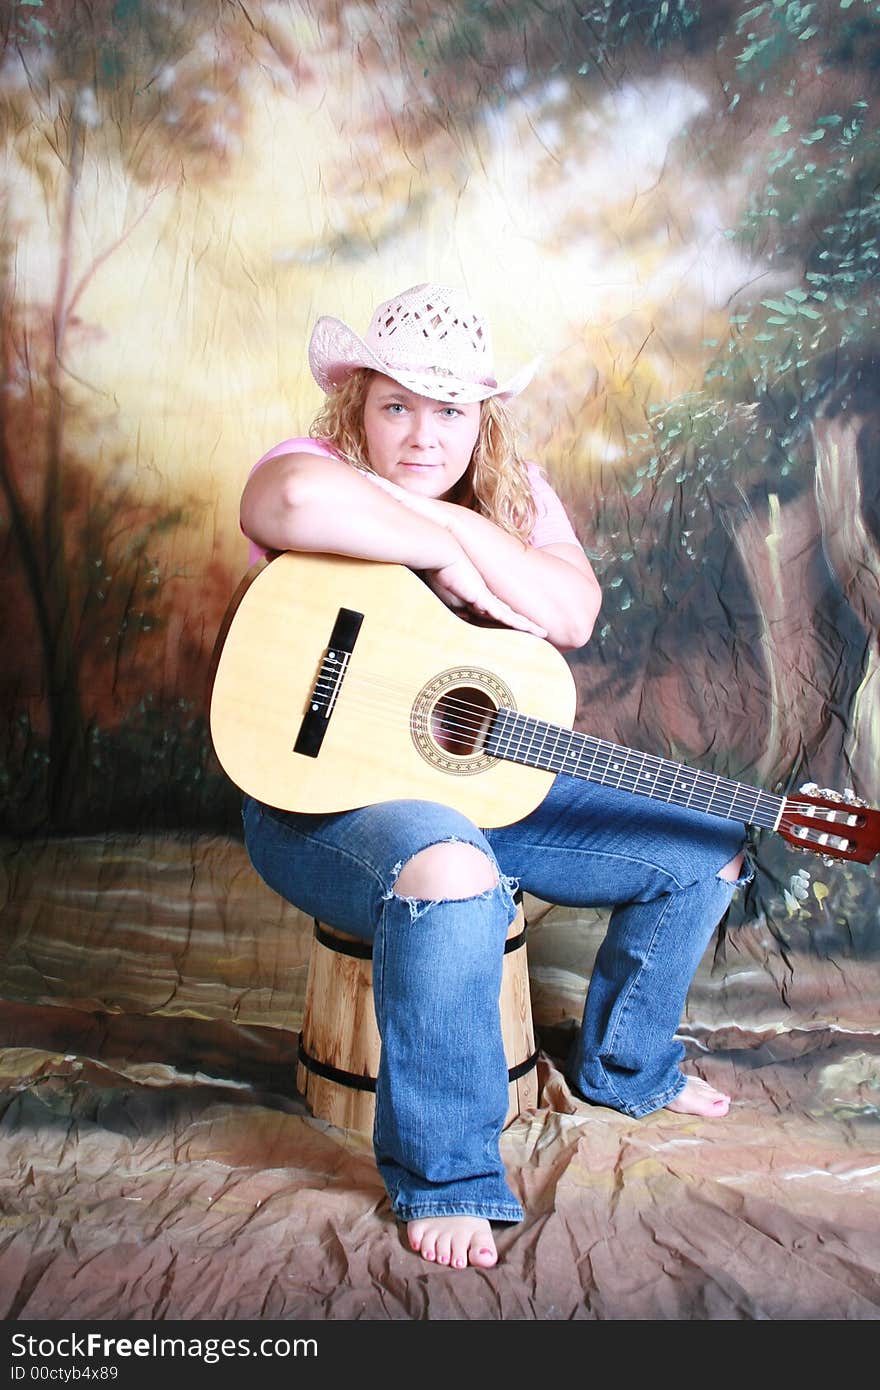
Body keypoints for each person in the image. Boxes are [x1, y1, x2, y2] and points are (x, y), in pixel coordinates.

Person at [238, 283, 749, 1271]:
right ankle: (447, 1175)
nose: (422, 438)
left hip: (485, 785)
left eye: (449, 412)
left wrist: (470, 535)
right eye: (396, 407)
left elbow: (571, 613)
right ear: (358, 409)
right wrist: (441, 542)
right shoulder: (311, 466)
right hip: (319, 800)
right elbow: (293, 505)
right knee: (451, 870)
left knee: (703, 844)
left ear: (481, 420)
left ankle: (627, 1065)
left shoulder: (518, 496)